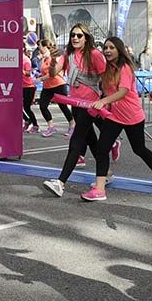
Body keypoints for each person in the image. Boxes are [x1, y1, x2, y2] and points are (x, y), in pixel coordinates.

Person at [82, 37, 152, 202]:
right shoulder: (108, 69)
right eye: (105, 47)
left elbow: (122, 92)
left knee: (139, 149)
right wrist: (103, 103)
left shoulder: (125, 67)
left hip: (133, 116)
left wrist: (103, 102)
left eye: (111, 47)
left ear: (119, 50)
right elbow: (107, 92)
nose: (107, 50)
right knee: (102, 148)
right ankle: (100, 188)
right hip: (115, 116)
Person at [43, 23, 107, 197]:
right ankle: (106, 173)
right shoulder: (68, 55)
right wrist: (54, 60)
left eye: (79, 35)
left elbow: (105, 76)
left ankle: (61, 182)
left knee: (76, 140)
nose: (75, 38)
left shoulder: (94, 54)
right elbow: (52, 73)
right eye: (73, 35)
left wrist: (106, 100)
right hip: (75, 103)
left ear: (86, 38)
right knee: (91, 140)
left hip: (90, 104)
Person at [37, 39, 74, 137]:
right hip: (47, 87)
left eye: (39, 46)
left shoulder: (53, 57)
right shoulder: (44, 58)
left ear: (45, 47)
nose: (38, 48)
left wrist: (39, 79)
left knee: (63, 106)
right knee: (42, 106)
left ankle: (72, 125)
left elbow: (51, 74)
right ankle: (51, 127)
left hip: (58, 85)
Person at [22, 43, 39, 133]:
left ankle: (35, 125)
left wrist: (20, 70)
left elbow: (28, 74)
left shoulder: (26, 60)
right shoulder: (16, 58)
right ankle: (27, 120)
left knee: (27, 107)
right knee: (16, 106)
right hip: (20, 87)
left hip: (28, 86)